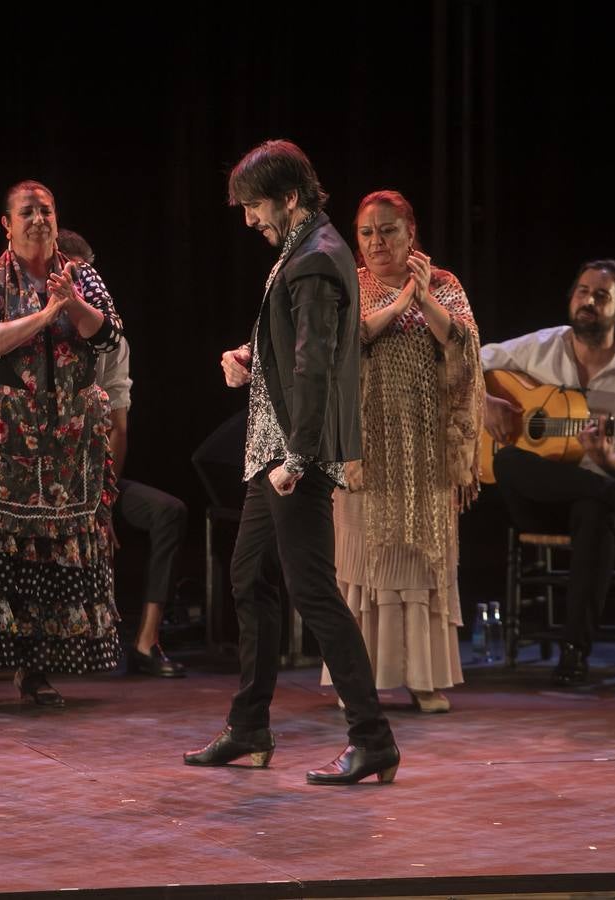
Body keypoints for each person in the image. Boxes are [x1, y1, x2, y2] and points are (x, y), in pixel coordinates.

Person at [184, 139, 400, 785]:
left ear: (289, 198)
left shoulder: (314, 259)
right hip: (270, 448)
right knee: (249, 576)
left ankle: (373, 738)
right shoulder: (304, 251)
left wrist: (299, 455)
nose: (250, 220)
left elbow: (317, 365)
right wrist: (251, 358)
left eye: (255, 207)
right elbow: (294, 353)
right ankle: (250, 728)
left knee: (313, 591)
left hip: (290, 453)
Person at [0, 181, 124, 712]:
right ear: (8, 223)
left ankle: (34, 670)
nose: (39, 219)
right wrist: (46, 314)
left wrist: (74, 303)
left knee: (46, 553)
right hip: (1, 431)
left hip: (64, 434)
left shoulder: (80, 273)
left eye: (46, 210)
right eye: (28, 211)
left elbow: (109, 335)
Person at [321, 190, 483, 713]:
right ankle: (359, 679)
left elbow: (464, 346)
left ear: (411, 234)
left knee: (420, 558)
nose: (376, 242)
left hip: (428, 448)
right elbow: (348, 341)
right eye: (366, 232)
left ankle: (422, 678)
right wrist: (399, 301)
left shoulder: (446, 284)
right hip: (367, 447)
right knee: (366, 560)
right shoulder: (352, 284)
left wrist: (423, 295)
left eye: (388, 230)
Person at [482, 259, 615, 686]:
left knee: (594, 505)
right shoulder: (540, 347)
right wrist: (482, 400)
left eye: (601, 296)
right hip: (543, 498)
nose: (588, 301)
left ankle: (574, 652)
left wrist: (611, 462)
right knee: (507, 460)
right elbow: (468, 360)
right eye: (582, 292)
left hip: (605, 506)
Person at [58, 228, 189, 678]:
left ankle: (146, 642)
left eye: (86, 280)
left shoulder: (110, 342)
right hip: (41, 480)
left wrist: (104, 500)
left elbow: (118, 425)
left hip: (94, 476)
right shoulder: (36, 335)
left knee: (168, 512)